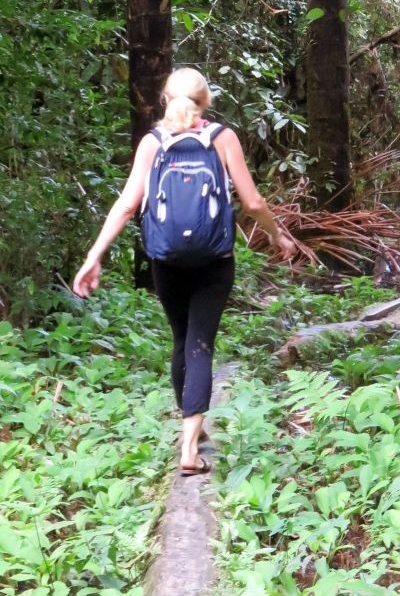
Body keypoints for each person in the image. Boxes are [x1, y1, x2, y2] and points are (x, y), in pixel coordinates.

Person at [72, 68, 298, 473]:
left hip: (167, 260)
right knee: (200, 344)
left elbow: (127, 205)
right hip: (213, 261)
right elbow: (252, 203)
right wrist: (277, 235)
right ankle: (189, 448)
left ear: (164, 99)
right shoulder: (222, 138)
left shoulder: (152, 143)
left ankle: (191, 427)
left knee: (181, 340)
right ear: (206, 101)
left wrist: (95, 255)